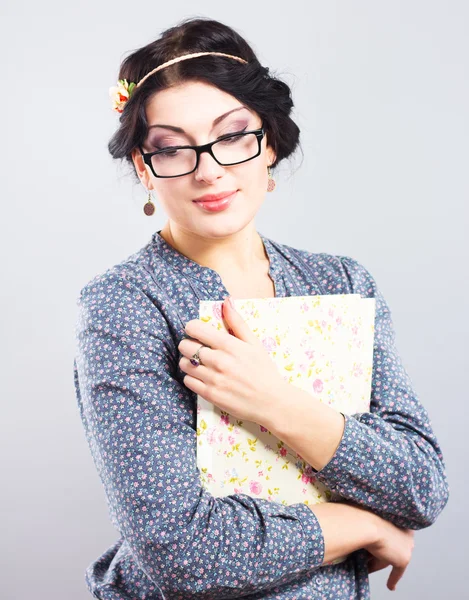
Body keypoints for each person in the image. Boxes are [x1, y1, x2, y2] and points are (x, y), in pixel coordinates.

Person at [73, 16, 449, 600]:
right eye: (172, 149)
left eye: (232, 136)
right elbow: (180, 555)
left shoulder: (341, 282)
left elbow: (421, 488)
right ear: (145, 168)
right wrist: (362, 524)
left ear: (268, 142)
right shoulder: (124, 304)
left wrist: (276, 402)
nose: (209, 170)